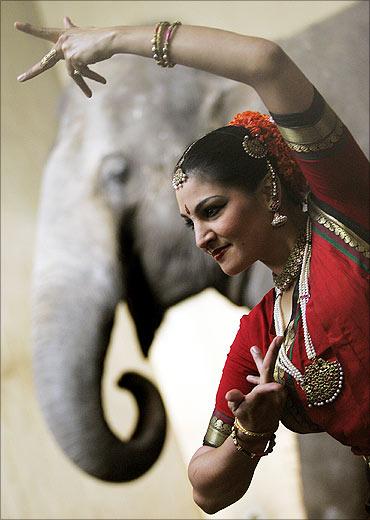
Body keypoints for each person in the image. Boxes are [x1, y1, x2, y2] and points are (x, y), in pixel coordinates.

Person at [15, 17, 369, 514]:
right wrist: (249, 433)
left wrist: (113, 41)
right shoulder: (262, 338)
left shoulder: (348, 211)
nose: (201, 237)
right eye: (187, 223)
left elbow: (266, 63)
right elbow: (205, 491)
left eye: (211, 210)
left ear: (267, 187)